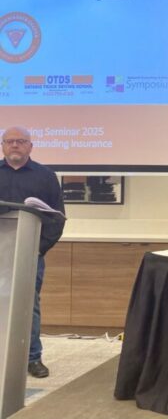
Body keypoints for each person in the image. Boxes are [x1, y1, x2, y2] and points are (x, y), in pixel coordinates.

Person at [0, 126, 65, 378]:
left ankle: (32, 358)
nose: (15, 145)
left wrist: (38, 249)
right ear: (3, 146)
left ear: (30, 146)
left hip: (29, 254)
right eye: (9, 141)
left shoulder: (46, 176)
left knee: (29, 306)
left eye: (20, 141)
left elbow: (57, 218)